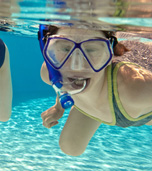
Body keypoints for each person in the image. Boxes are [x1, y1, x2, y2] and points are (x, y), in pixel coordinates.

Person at [38, 24, 152, 156]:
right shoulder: (48, 72)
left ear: (110, 56)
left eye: (91, 50)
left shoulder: (137, 88)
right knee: (70, 147)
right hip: (98, 98)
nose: (76, 66)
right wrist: (59, 107)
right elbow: (61, 81)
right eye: (64, 48)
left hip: (141, 111)